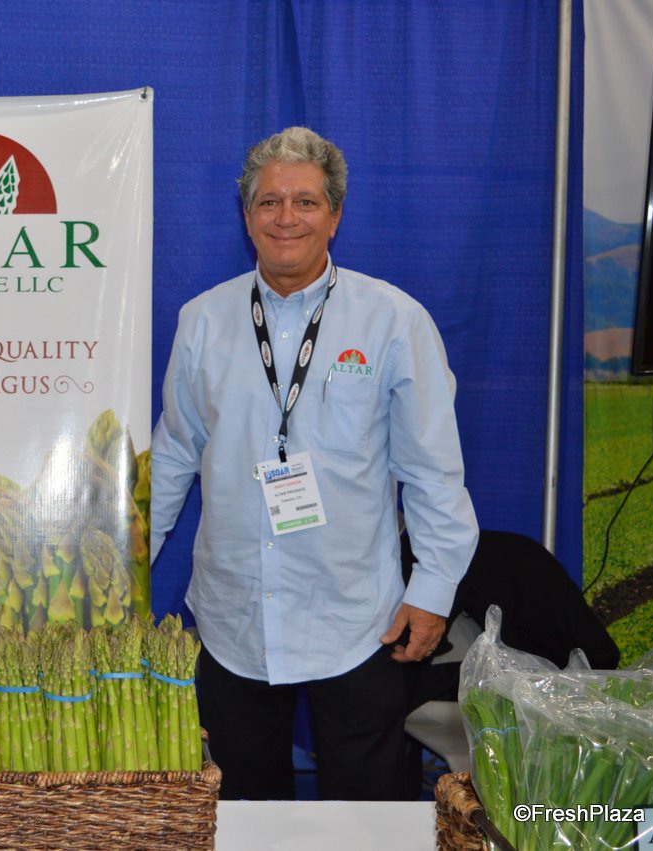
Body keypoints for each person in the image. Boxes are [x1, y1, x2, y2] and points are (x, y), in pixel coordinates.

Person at [149, 127, 478, 801]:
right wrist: (123, 566)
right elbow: (176, 452)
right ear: (247, 216)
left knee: (366, 819)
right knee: (241, 818)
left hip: (357, 619)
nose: (286, 218)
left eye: (305, 202)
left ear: (335, 215)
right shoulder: (203, 321)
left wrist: (433, 590)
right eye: (269, 202)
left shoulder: (394, 321)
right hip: (234, 616)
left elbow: (433, 471)